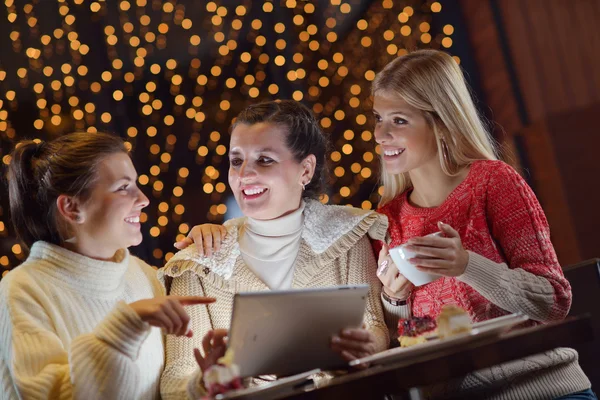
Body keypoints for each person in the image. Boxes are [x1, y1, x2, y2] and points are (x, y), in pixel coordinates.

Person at [372, 49, 594, 399]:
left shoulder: (493, 182)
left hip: (542, 390)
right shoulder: (387, 220)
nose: (380, 134)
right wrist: (394, 298)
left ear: (441, 122)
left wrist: (467, 265)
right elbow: (402, 341)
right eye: (378, 118)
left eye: (398, 120)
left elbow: (553, 301)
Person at [159, 100, 390, 399]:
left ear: (305, 170)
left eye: (264, 160)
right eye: (236, 160)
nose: (244, 175)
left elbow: (375, 326)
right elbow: (176, 379)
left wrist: (370, 346)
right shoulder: (199, 261)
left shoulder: (347, 234)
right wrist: (207, 384)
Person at [0, 132, 215, 400]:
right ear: (71, 207)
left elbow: (161, 389)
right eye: (124, 187)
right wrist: (123, 328)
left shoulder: (144, 276)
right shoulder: (22, 291)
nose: (144, 199)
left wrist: (202, 385)